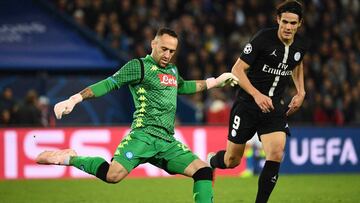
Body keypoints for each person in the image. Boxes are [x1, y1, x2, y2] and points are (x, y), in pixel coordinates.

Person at [36, 28, 238, 203]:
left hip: (167, 141)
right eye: (164, 49)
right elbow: (109, 83)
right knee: (112, 175)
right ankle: (70, 158)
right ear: (153, 44)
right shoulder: (138, 66)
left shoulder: (173, 71)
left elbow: (184, 86)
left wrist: (216, 81)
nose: (167, 55)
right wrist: (75, 98)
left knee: (203, 171)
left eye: (172, 51)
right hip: (142, 136)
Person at [208, 1, 309, 202]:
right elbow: (237, 70)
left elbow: (296, 64)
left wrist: (301, 91)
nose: (288, 27)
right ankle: (211, 160)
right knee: (232, 160)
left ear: (299, 24)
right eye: (285, 22)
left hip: (274, 107)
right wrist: (256, 94)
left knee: (276, 152)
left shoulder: (300, 45)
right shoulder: (263, 38)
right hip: (247, 104)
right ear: (278, 20)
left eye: (293, 23)